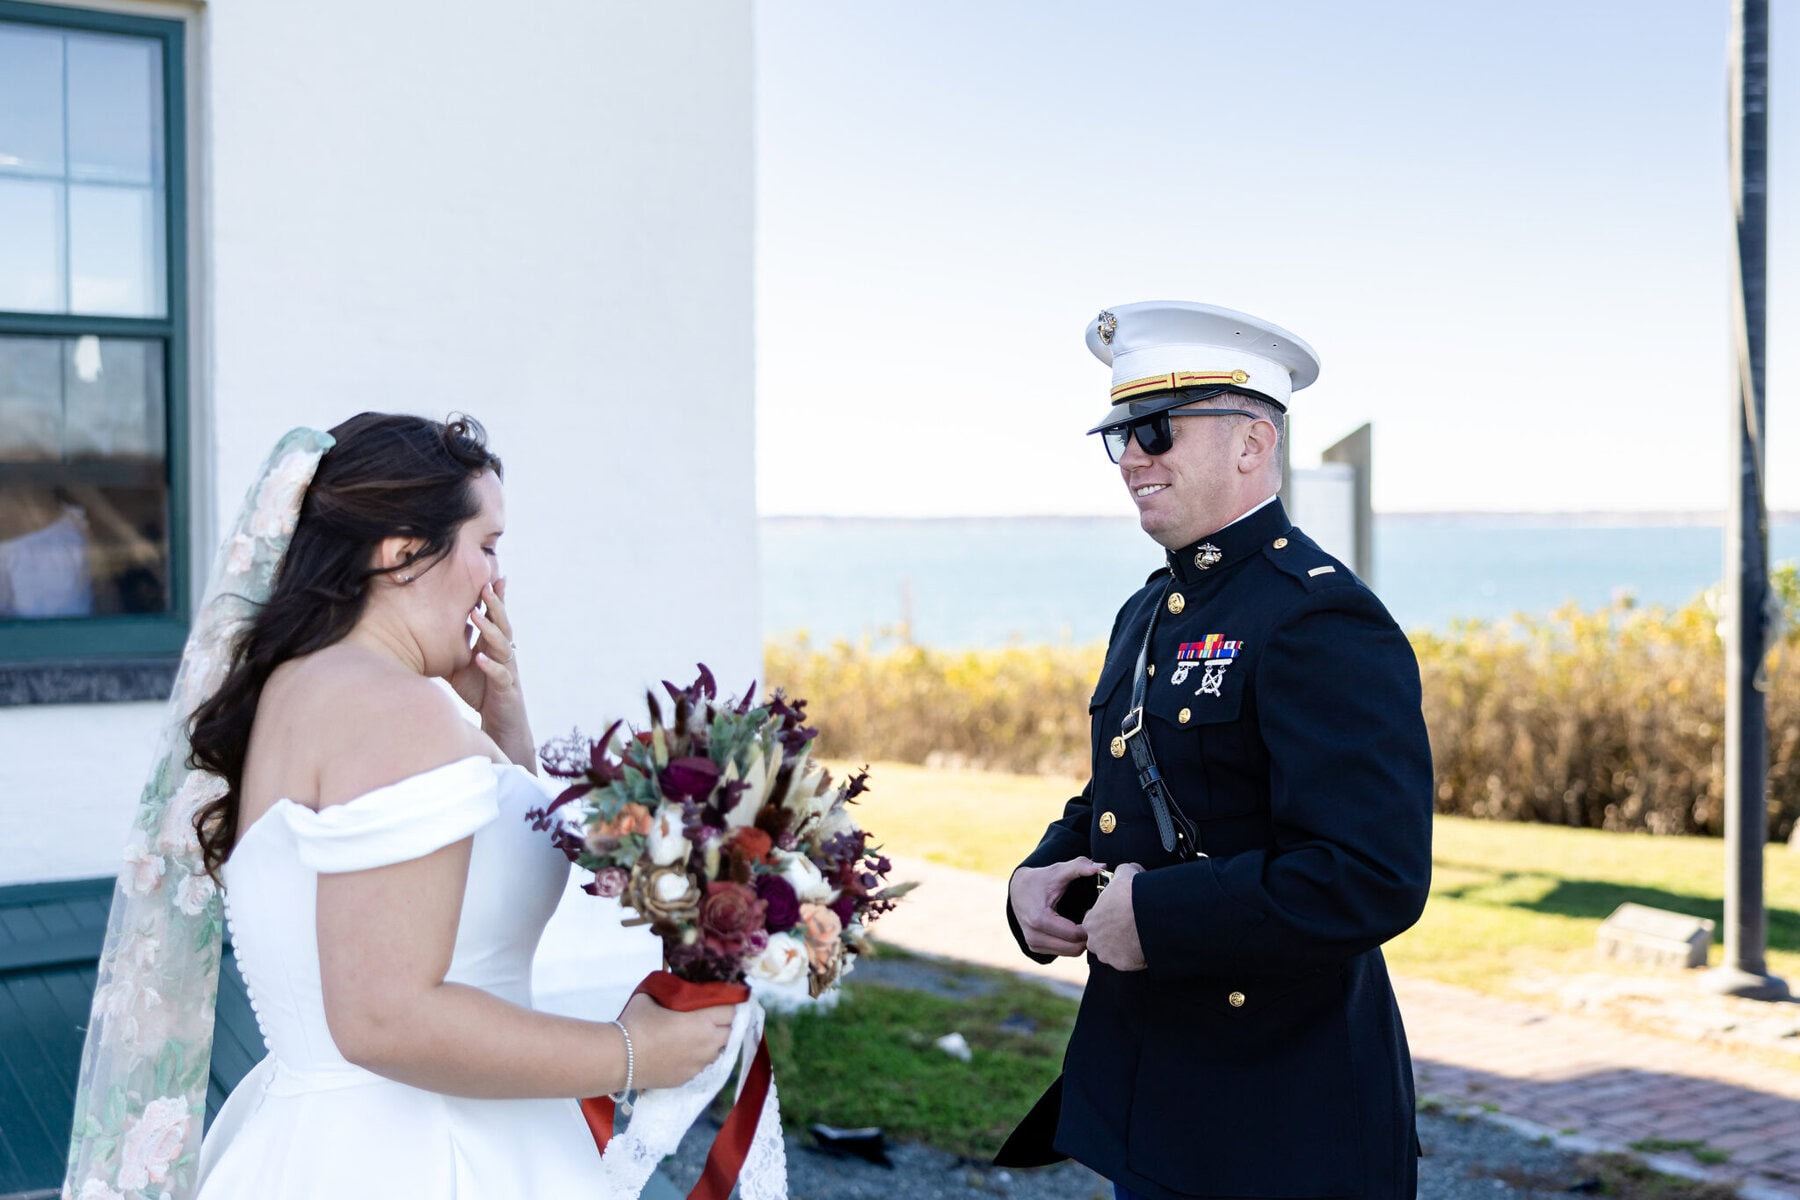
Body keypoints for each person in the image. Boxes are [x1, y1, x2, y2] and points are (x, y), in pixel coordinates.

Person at [63, 414, 733, 1200]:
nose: (497, 580)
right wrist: (631, 1054)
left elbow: (498, 863)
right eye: (487, 545)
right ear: (402, 551)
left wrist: (502, 711)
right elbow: (386, 1018)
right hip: (419, 1155)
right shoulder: (394, 712)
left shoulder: (308, 687)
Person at [998, 302, 1434, 1200]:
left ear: (1252, 443)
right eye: (1119, 434)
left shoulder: (1316, 614)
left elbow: (1371, 872)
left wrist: (1157, 917)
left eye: (1156, 429)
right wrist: (1036, 881)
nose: (1130, 458)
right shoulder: (1150, 612)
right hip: (1162, 1101)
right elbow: (1116, 797)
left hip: (1283, 1117)